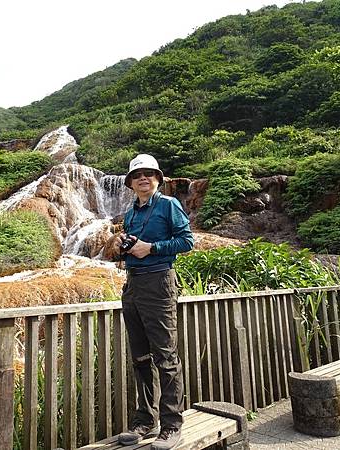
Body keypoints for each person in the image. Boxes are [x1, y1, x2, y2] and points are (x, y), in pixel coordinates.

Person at [113, 154, 194, 450]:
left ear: (158, 178)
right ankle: (145, 420)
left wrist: (152, 248)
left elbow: (187, 241)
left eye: (148, 173)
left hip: (160, 281)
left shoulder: (169, 205)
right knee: (140, 357)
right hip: (133, 285)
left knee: (165, 356)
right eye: (137, 175)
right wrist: (125, 249)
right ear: (131, 183)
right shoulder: (130, 213)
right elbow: (133, 248)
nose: (143, 178)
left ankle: (172, 425)